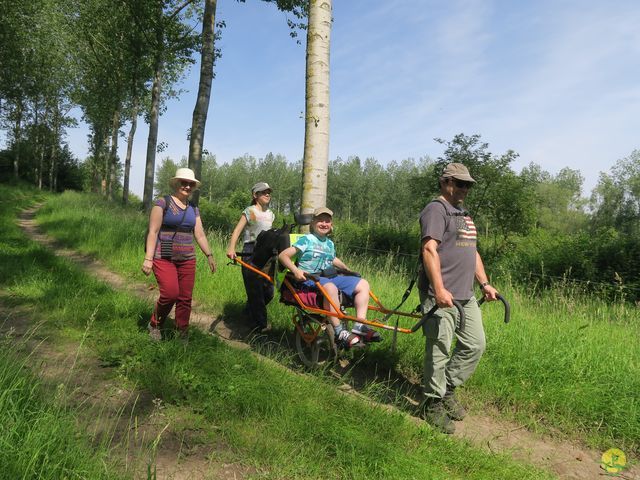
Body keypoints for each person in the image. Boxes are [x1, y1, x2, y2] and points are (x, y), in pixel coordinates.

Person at [418, 162, 498, 434]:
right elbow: (429, 249)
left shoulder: (463, 213)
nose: (465, 188)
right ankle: (431, 402)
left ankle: (447, 388)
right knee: (439, 349)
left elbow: (472, 252)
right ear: (445, 182)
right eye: (459, 183)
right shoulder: (436, 210)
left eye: (468, 184)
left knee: (475, 345)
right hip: (441, 295)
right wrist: (439, 289)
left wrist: (484, 283)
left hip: (466, 295)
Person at [278, 207, 380, 348]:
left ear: (331, 225)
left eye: (327, 221)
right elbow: (283, 255)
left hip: (330, 276)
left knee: (363, 284)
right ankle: (339, 332)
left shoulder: (329, 243)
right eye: (320, 220)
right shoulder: (307, 239)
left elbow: (332, 259)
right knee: (331, 288)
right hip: (310, 278)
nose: (324, 224)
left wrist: (346, 269)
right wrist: (295, 270)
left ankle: (360, 325)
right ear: (313, 223)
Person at [142, 167, 217, 341]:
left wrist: (209, 255)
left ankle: (181, 331)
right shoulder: (162, 203)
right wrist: (148, 259)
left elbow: (199, 234)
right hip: (163, 256)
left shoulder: (193, 209)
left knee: (185, 298)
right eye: (184, 183)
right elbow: (153, 232)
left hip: (187, 259)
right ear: (177, 183)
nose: (187, 186)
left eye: (191, 184)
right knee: (170, 294)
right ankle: (155, 323)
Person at [226, 182, 276, 333]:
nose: (267, 194)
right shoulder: (249, 211)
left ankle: (248, 313)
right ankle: (261, 326)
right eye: (263, 192)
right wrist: (231, 248)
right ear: (255, 195)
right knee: (255, 290)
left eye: (268, 192)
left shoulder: (271, 214)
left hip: (267, 253)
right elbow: (237, 231)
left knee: (268, 292)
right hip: (250, 251)